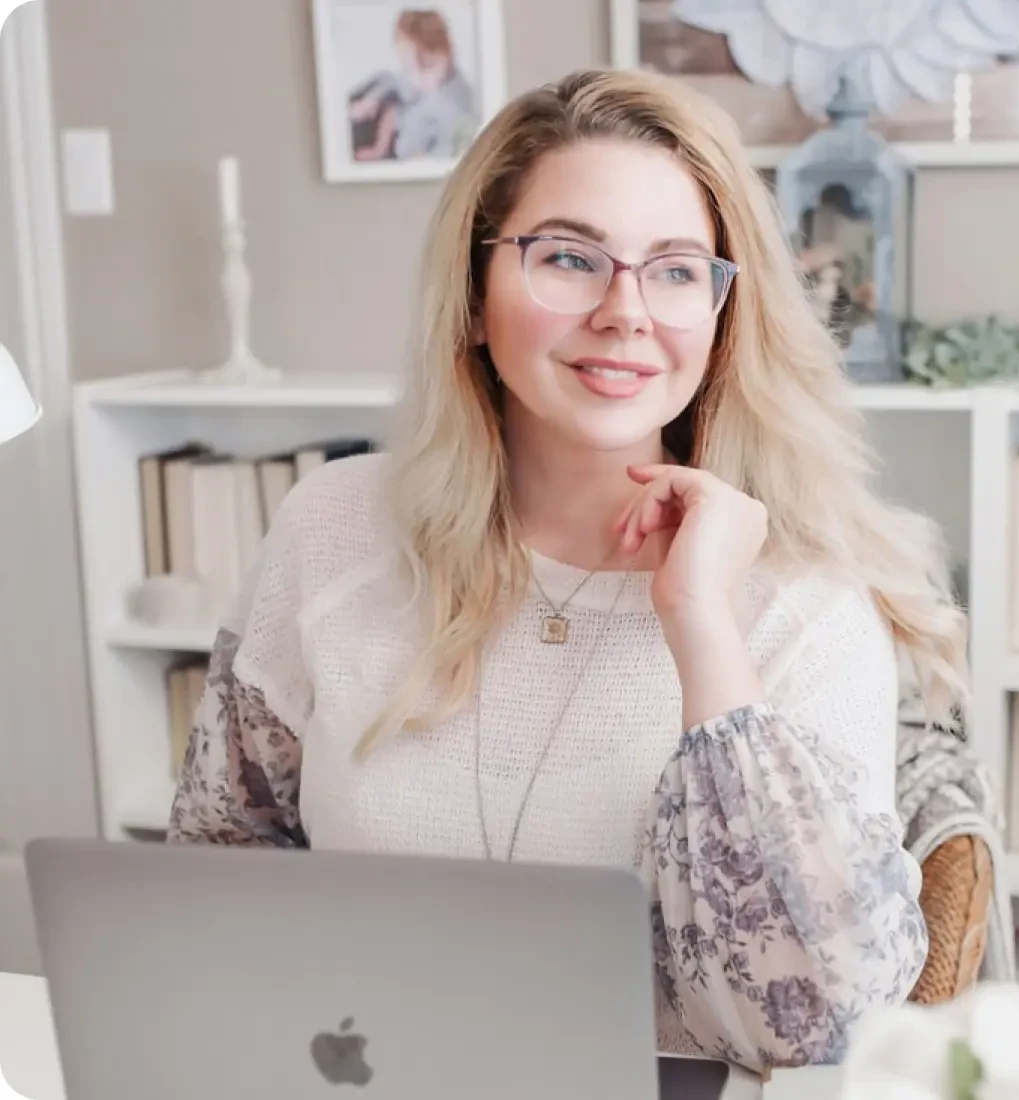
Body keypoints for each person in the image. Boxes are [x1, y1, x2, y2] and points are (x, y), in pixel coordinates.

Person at [168, 67, 969, 1072]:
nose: (625, 310)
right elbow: (220, 848)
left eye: (677, 269)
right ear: (471, 295)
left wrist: (699, 623)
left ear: (723, 316)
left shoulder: (805, 602)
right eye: (567, 257)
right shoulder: (329, 525)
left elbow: (806, 1019)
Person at [349, 8, 476, 162]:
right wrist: (371, 100)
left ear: (446, 54)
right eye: (408, 67)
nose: (414, 79)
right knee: (389, 98)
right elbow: (395, 83)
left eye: (425, 66)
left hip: (423, 153)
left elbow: (451, 142)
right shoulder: (406, 84)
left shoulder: (456, 100)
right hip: (400, 143)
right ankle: (379, 149)